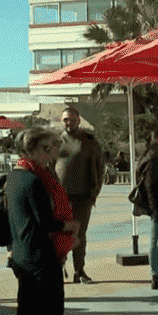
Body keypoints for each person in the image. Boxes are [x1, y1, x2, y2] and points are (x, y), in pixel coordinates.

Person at [6, 127, 79, 315]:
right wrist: (70, 227)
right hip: (41, 258)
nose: (56, 151)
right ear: (40, 148)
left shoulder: (16, 175)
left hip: (22, 254)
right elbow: (45, 222)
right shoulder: (35, 181)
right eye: (52, 146)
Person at [54, 107, 104, 284]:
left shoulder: (89, 141)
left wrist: (95, 192)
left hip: (84, 196)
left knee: (79, 235)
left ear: (79, 120)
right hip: (61, 197)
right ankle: (57, 269)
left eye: (72, 119)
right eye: (66, 119)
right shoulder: (55, 141)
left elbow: (100, 167)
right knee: (61, 234)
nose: (69, 123)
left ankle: (79, 270)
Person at [136, 126, 158, 290]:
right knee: (157, 241)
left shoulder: (151, 156)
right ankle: (157, 274)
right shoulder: (153, 159)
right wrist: (156, 210)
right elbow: (151, 187)